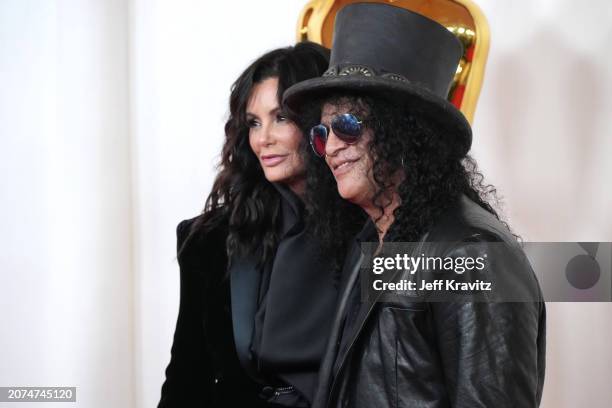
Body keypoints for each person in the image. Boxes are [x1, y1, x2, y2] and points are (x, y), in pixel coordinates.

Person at [284, 4, 546, 408]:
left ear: (404, 131)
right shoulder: (374, 238)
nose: (331, 147)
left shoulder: (473, 254)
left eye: (347, 126)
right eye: (321, 133)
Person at [158, 42, 364, 407]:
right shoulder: (209, 240)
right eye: (253, 123)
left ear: (322, 120)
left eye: (281, 117)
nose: (262, 138)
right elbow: (187, 379)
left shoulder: (375, 230)